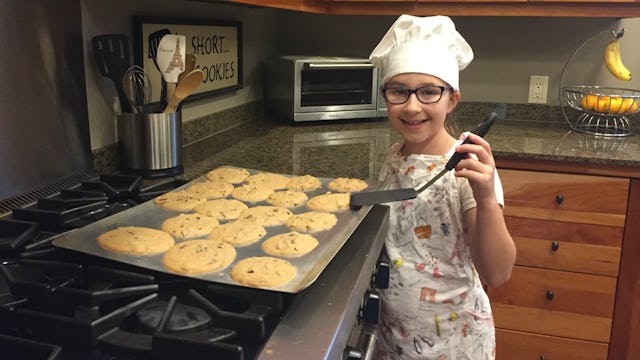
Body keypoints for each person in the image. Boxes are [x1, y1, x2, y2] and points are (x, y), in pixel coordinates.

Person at [368, 15, 516, 359]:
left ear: (452, 99)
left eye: (429, 92)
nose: (412, 106)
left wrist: (486, 197)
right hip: (393, 335)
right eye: (399, 91)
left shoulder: (468, 169)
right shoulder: (393, 156)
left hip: (454, 340)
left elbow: (497, 271)